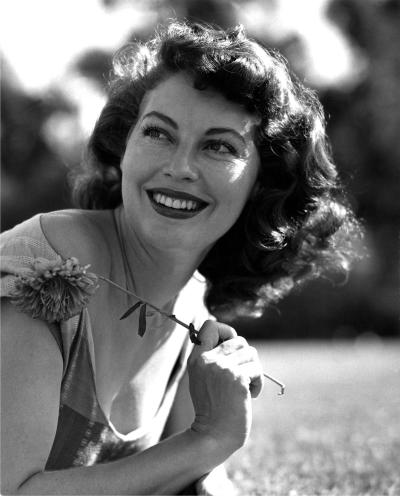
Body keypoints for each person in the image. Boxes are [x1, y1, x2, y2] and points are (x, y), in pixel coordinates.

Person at [0, 20, 361, 495]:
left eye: (219, 146)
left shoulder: (194, 313)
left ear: (263, 183)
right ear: (124, 146)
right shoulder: (44, 268)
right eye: (158, 133)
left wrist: (208, 450)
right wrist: (208, 439)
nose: (178, 168)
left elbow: (193, 483)